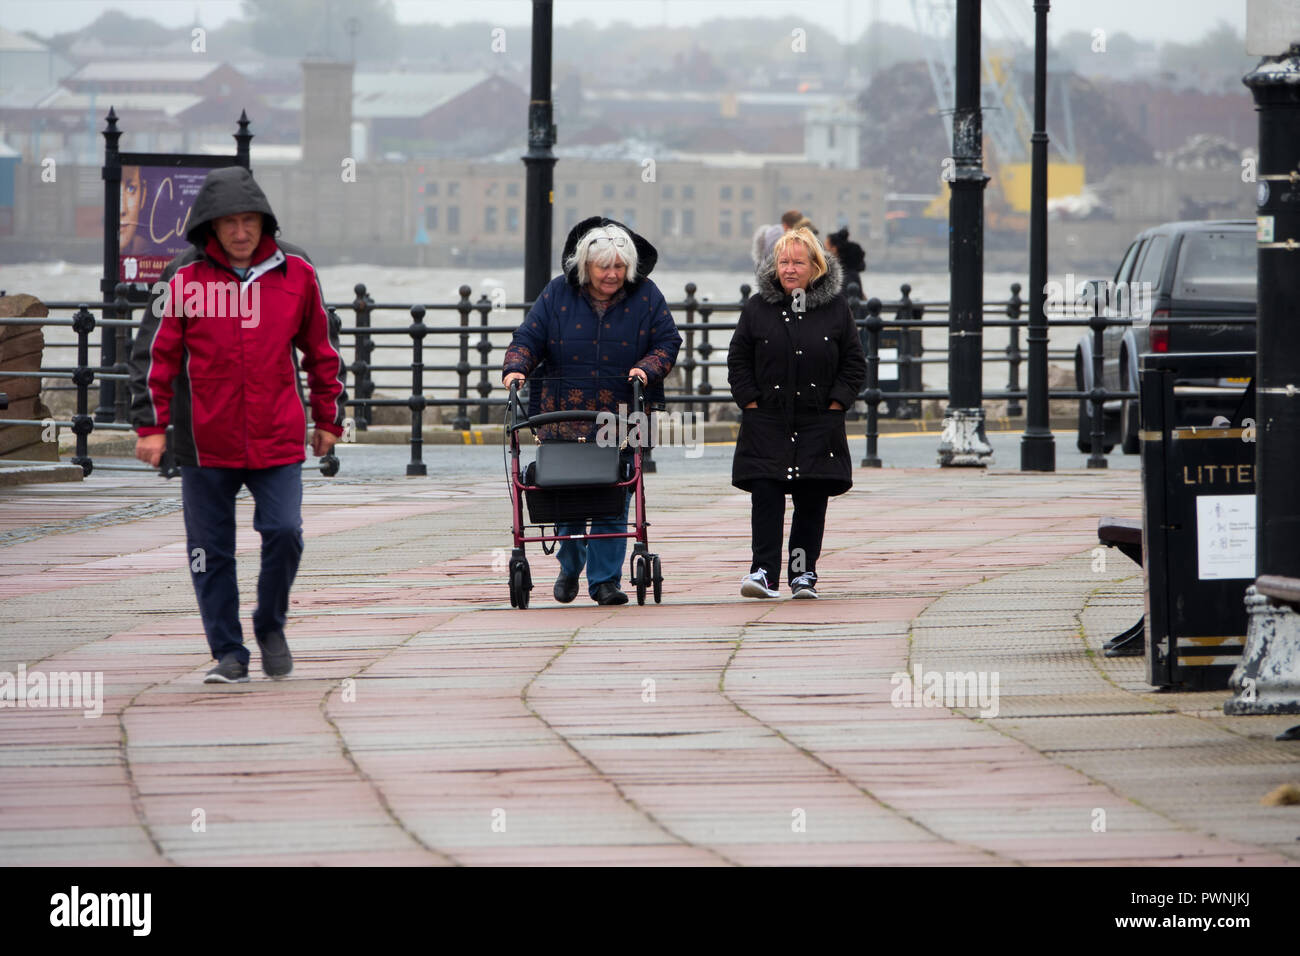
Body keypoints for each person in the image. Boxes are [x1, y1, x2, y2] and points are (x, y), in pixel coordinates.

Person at [128, 166, 346, 683]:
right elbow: (154, 354)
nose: (241, 232)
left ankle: (270, 623)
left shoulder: (298, 272)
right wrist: (151, 427)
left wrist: (328, 418)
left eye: (250, 221)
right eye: (230, 223)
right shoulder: (181, 276)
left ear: (264, 222)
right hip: (204, 440)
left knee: (285, 532)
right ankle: (228, 652)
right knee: (209, 551)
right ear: (211, 225)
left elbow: (322, 349)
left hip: (277, 434)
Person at [502, 216, 682, 606]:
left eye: (620, 267)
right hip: (562, 414)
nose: (613, 274)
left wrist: (646, 368)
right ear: (586, 265)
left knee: (612, 497)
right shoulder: (557, 294)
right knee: (568, 500)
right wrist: (516, 366)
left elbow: (667, 340)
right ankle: (570, 565)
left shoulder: (646, 296)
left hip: (620, 414)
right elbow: (528, 337)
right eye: (605, 267)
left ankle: (605, 582)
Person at [728, 226, 866, 599]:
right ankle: (763, 573)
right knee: (766, 495)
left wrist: (837, 404)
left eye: (798, 262)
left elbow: (854, 362)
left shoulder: (836, 307)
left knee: (811, 498)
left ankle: (803, 575)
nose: (789, 269)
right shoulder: (758, 307)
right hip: (767, 418)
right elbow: (738, 359)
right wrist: (751, 402)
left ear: (815, 266)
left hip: (818, 419)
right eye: (783, 261)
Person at [825, 227, 866, 298]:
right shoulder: (849, 272)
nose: (823, 252)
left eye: (826, 248)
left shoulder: (842, 275)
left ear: (834, 249)